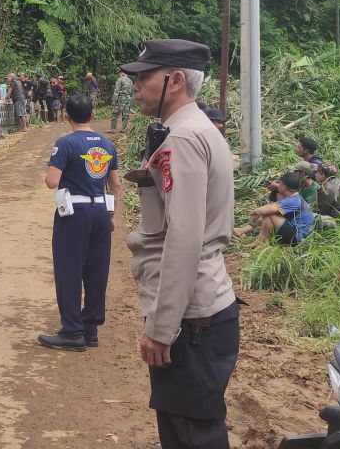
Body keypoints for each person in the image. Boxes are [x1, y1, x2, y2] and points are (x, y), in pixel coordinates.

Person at [122, 39, 239, 449]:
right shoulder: (192, 130)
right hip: (199, 313)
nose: (135, 85)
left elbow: (184, 239)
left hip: (192, 322)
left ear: (173, 81)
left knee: (191, 434)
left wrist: (161, 327)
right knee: (188, 429)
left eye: (143, 77)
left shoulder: (183, 139)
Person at [38, 94, 120, 352]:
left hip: (74, 212)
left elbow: (52, 181)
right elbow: (115, 183)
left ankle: (72, 330)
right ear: (93, 115)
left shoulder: (65, 144)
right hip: (100, 210)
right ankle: (90, 328)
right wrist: (111, 214)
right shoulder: (107, 145)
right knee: (96, 270)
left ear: (67, 116)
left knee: (69, 270)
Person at [233, 171, 314, 248]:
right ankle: (260, 242)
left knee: (269, 214)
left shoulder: (293, 201)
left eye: (279, 184)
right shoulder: (295, 197)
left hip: (298, 237)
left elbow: (265, 210)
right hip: (296, 231)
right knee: (270, 213)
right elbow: (271, 206)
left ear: (283, 187)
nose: (277, 185)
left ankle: (261, 243)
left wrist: (254, 213)